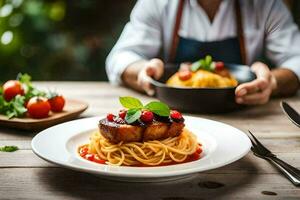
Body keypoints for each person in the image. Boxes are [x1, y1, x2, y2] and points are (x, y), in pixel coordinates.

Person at [106, 0, 300, 105]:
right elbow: (121, 56)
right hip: (174, 114)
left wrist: (272, 82)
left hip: (248, 117)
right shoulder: (156, 3)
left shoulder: (267, 5)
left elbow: (296, 59)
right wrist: (143, 71)